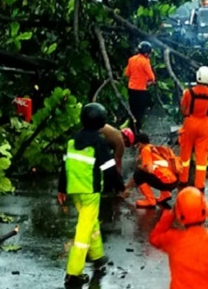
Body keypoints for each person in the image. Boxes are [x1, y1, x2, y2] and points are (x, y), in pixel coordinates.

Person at [58, 103, 125, 287]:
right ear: (102, 122)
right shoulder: (99, 143)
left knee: (91, 222)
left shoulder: (72, 141)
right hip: (90, 192)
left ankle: (97, 257)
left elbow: (64, 166)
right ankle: (73, 273)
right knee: (83, 231)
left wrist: (61, 189)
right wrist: (120, 186)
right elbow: (109, 168)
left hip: (75, 191)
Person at [149, 187, 208, 289]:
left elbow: (154, 238)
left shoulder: (173, 240)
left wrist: (171, 214)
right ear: (205, 210)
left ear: (179, 214)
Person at [178, 66, 208, 191]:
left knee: (185, 153)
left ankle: (183, 179)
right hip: (205, 125)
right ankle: (199, 184)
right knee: (202, 156)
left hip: (190, 123)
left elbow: (183, 108)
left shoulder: (188, 93)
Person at [122, 133, 179, 207]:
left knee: (138, 174)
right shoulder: (154, 148)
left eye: (137, 144)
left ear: (139, 143)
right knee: (160, 171)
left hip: (166, 183)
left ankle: (150, 200)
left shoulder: (145, 150)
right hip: (174, 181)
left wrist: (140, 167)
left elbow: (149, 170)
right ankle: (166, 194)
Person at [125, 41, 156, 134]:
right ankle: (137, 132)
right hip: (141, 90)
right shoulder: (145, 61)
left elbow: (127, 74)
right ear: (146, 53)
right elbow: (152, 77)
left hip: (131, 88)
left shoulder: (131, 59)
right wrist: (149, 82)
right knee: (140, 112)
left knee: (132, 110)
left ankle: (131, 130)